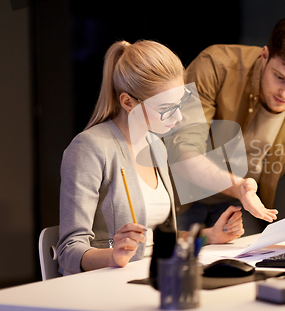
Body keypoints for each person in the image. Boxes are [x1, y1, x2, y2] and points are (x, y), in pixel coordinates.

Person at [56, 40, 244, 275]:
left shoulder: (156, 145)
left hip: (153, 276)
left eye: (181, 102)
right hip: (107, 285)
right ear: (128, 102)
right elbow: (68, 250)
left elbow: (156, 240)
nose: (178, 116)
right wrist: (114, 257)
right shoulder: (89, 148)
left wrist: (209, 235)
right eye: (165, 107)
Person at [176, 16, 285, 245]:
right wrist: (238, 187)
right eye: (279, 77)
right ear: (264, 55)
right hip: (182, 197)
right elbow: (184, 154)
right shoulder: (216, 66)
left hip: (241, 207)